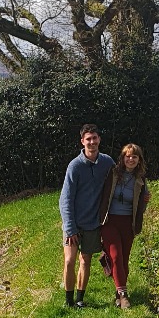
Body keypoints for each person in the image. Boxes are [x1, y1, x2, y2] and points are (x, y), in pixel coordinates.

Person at [60, 123, 115, 307]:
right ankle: (68, 301)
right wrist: (70, 228)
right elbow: (65, 200)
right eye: (88, 139)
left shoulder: (107, 162)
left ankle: (80, 299)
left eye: (95, 138)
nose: (92, 142)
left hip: (93, 223)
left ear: (99, 139)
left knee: (86, 260)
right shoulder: (74, 167)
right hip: (74, 224)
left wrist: (142, 191)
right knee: (69, 261)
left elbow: (120, 180)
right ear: (82, 142)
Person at [98, 143, 150, 309]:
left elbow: (142, 204)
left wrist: (145, 202)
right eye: (128, 156)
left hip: (128, 223)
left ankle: (118, 292)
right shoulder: (112, 174)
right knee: (115, 256)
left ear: (139, 160)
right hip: (110, 221)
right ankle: (123, 294)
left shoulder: (141, 180)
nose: (131, 159)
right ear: (122, 158)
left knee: (124, 260)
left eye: (134, 156)